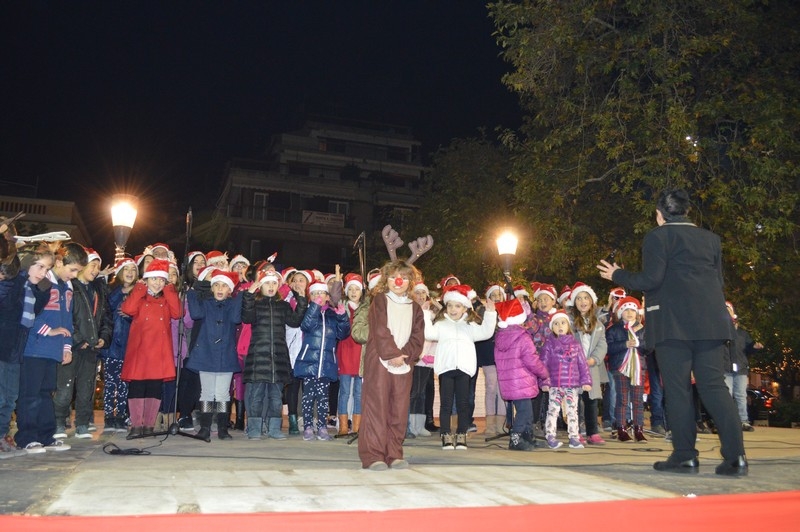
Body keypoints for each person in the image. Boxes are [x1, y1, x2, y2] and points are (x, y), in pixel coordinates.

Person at [598, 188, 747, 476]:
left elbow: (651, 279)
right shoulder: (711, 239)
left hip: (673, 325)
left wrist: (617, 274)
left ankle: (684, 455)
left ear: (659, 215)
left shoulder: (657, 236)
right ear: (687, 211)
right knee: (715, 388)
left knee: (677, 390)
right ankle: (736, 457)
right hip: (711, 323)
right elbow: (717, 282)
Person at [16, 242, 88, 453]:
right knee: (31, 393)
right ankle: (27, 436)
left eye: (77, 271)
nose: (74, 275)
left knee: (47, 393)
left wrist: (66, 347)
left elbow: (67, 322)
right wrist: (49, 330)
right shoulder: (42, 282)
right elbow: (30, 312)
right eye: (72, 269)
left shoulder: (67, 288)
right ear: (59, 262)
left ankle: (46, 435)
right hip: (33, 348)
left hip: (52, 351)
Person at [357, 260, 425, 469]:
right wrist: (392, 354)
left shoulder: (415, 308)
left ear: (410, 282)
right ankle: (374, 456)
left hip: (403, 364)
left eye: (404, 277)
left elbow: (418, 336)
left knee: (399, 408)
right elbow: (380, 330)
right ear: (386, 279)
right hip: (380, 360)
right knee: (376, 407)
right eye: (395, 276)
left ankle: (394, 453)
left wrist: (405, 355)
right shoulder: (379, 300)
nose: (399, 281)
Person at [425, 284, 497, 450]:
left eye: (457, 306)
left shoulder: (469, 326)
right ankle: (445, 434)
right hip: (446, 369)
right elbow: (428, 333)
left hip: (464, 369)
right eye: (450, 305)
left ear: (465, 308)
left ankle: (461, 434)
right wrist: (425, 314)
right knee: (446, 403)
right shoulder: (441, 324)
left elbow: (486, 332)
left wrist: (491, 313)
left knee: (464, 403)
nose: (453, 309)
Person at [0, 243, 53, 457]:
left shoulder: (32, 288)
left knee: (10, 396)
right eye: (39, 267)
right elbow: (7, 304)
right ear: (26, 264)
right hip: (4, 347)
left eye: (47, 269)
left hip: (15, 351)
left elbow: (35, 311)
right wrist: (19, 276)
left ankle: (2, 436)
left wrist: (43, 290)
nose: (44, 273)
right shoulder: (12, 283)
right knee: (2, 396)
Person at [53, 248, 111, 439]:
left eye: (98, 267)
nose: (96, 270)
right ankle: (59, 422)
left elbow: (106, 318)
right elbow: (65, 316)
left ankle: (83, 424)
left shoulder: (99, 290)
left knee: (87, 388)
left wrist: (104, 336)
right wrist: (78, 339)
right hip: (74, 346)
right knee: (65, 386)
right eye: (93, 265)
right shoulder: (71, 286)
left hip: (92, 348)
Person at [121, 258, 181, 439]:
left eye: (161, 280)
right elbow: (128, 309)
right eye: (154, 279)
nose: (157, 283)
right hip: (140, 351)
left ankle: (148, 426)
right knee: (137, 388)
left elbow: (178, 313)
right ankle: (136, 425)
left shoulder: (166, 299)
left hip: (159, 352)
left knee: (155, 389)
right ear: (146, 279)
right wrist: (139, 289)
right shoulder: (139, 297)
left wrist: (170, 290)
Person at [186, 269, 242, 441]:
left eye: (224, 286)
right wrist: (193, 290)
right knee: (207, 393)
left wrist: (240, 297)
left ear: (230, 290)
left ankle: (223, 428)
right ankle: (205, 427)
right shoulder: (206, 303)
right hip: (206, 354)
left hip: (225, 354)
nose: (219, 288)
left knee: (223, 393)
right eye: (216, 284)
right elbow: (195, 313)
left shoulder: (232, 304)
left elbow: (236, 318)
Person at [294, 278, 350, 441]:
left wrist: (342, 316)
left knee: (323, 397)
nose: (319, 296)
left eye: (322, 293)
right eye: (315, 293)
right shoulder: (308, 311)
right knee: (308, 396)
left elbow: (343, 333)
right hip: (310, 361)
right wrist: (315, 307)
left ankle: (323, 428)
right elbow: (306, 326)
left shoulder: (332, 314)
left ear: (327, 296)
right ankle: (308, 427)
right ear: (310, 296)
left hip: (326, 362)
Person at [493, 298, 550, 451]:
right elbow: (532, 360)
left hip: (510, 382)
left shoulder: (501, 337)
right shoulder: (523, 338)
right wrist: (544, 373)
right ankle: (516, 439)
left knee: (527, 412)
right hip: (522, 381)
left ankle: (528, 437)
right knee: (524, 412)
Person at [540, 309, 592, 450]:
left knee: (572, 411)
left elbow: (582, 364)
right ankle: (550, 435)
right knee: (553, 410)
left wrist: (586, 381)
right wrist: (544, 381)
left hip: (572, 385)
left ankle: (574, 437)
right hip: (555, 385)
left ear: (568, 325)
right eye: (556, 324)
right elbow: (543, 365)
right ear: (552, 328)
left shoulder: (575, 345)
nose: (560, 326)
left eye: (563, 322)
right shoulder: (549, 345)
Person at [569, 282, 608, 445]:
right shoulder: (570, 322)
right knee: (575, 401)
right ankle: (575, 431)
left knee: (591, 401)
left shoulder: (598, 324)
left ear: (592, 301)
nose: (582, 301)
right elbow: (566, 341)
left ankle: (593, 432)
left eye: (586, 298)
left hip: (591, 367)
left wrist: (594, 359)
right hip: (574, 368)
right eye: (578, 298)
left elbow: (602, 344)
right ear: (574, 303)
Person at [101, 258, 137, 432]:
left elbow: (136, 315)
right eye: (126, 269)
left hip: (129, 346)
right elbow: (108, 307)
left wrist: (129, 313)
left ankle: (121, 415)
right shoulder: (112, 289)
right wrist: (122, 291)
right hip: (111, 346)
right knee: (110, 383)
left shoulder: (138, 291)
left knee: (124, 384)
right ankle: (109, 416)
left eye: (133, 269)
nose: (130, 272)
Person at [605, 296, 648, 443]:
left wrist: (638, 343)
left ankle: (639, 429)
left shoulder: (642, 329)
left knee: (637, 400)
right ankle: (621, 428)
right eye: (626, 310)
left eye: (633, 310)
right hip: (620, 368)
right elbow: (608, 349)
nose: (629, 313)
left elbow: (649, 347)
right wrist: (625, 344)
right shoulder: (614, 330)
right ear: (620, 312)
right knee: (622, 399)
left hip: (638, 368)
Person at [723, 301, 763, 432]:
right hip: (725, 368)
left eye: (729, 310)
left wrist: (755, 347)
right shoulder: (720, 332)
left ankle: (743, 421)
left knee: (741, 395)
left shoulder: (742, 334)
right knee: (727, 395)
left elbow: (749, 348)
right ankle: (727, 422)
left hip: (740, 369)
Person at [476, 284, 506, 437]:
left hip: (505, 356)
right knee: (490, 387)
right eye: (493, 295)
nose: (496, 297)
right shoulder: (482, 312)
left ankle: (501, 425)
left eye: (499, 294)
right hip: (488, 354)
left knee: (502, 390)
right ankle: (490, 425)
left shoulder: (507, 312)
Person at [336, 272, 364, 436]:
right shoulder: (342, 308)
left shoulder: (366, 310)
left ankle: (357, 427)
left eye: (357, 289)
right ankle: (343, 427)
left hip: (361, 355)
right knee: (345, 392)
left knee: (359, 393)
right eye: (351, 289)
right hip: (346, 353)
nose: (354, 292)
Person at [408, 281, 436, 437]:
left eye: (422, 293)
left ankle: (420, 425)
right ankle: (410, 424)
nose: (420, 296)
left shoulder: (431, 314)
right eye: (417, 293)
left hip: (427, 357)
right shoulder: (410, 311)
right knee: (414, 392)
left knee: (423, 392)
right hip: (415, 356)